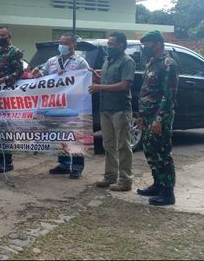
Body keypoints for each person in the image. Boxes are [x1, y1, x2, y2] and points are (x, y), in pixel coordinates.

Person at [32, 33, 89, 179]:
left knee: (74, 134)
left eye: (65, 43)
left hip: (73, 104)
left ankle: (77, 167)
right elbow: (43, 75)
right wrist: (37, 73)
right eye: (60, 42)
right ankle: (63, 164)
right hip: (55, 104)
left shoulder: (81, 62)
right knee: (60, 134)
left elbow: (86, 80)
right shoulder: (52, 61)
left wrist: (69, 76)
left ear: (73, 45)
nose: (61, 46)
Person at [89, 32, 136, 192]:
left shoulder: (127, 61)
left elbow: (124, 85)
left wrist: (99, 87)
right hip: (106, 108)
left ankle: (125, 180)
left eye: (112, 44)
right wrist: (98, 78)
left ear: (121, 45)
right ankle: (110, 176)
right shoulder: (107, 60)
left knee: (123, 145)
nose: (109, 46)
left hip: (120, 109)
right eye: (108, 43)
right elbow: (107, 80)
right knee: (108, 144)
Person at [137, 30, 179, 206]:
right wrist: (140, 115)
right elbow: (146, 91)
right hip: (147, 116)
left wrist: (158, 119)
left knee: (162, 153)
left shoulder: (168, 64)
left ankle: (168, 193)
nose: (145, 47)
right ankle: (157, 184)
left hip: (159, 117)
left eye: (148, 43)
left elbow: (168, 95)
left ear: (158, 44)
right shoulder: (152, 63)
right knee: (150, 151)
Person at [0, 26, 24, 173]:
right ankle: (1, 156)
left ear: (9, 37)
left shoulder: (15, 52)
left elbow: (19, 72)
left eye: (3, 35)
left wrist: (3, 79)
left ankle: (8, 161)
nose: (0, 38)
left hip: (9, 94)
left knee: (7, 127)